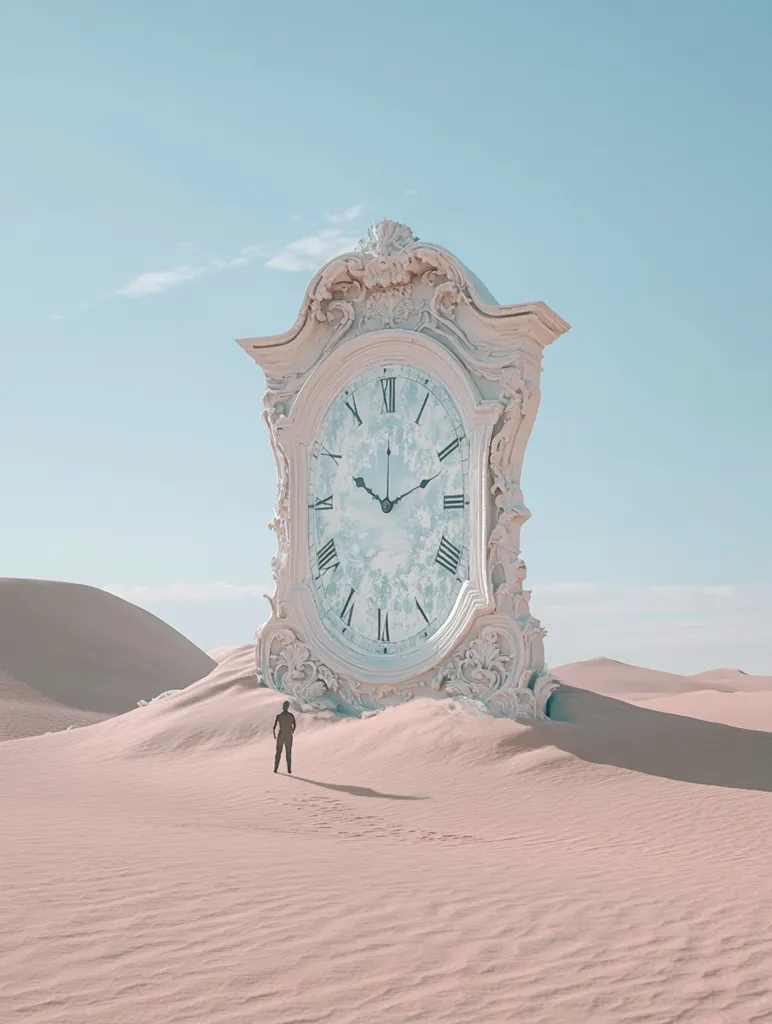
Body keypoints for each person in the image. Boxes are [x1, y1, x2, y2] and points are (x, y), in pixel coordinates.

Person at [273, 700, 296, 774]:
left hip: (282, 734)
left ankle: (276, 769)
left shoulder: (279, 716)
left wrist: (275, 735)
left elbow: (274, 727)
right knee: (288, 753)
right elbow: (294, 725)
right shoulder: (291, 715)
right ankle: (288, 769)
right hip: (288, 735)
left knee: (278, 752)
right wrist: (292, 731)